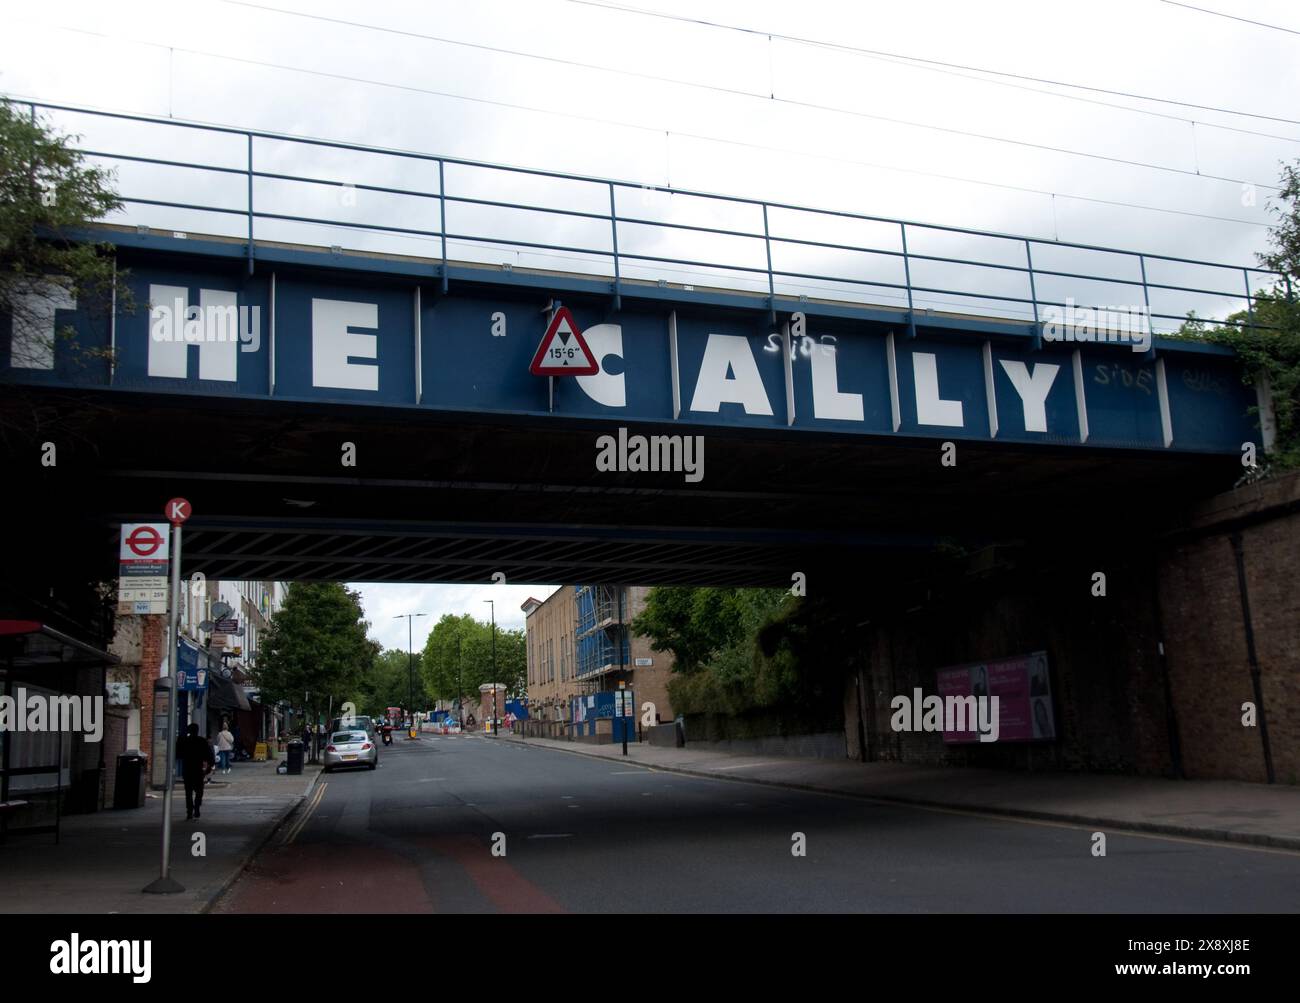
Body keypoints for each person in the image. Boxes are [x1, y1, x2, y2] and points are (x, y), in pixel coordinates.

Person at [175, 722, 215, 820]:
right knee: (199, 791)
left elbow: (178, 753)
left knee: (188, 792)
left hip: (187, 769)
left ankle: (189, 811)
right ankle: (197, 807)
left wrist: (179, 741)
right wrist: (210, 765)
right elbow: (209, 755)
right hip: (197, 769)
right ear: (197, 731)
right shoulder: (201, 741)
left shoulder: (185, 741)